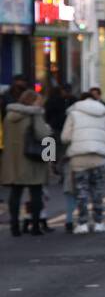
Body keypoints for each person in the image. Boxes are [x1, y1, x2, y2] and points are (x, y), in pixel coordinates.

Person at [61, 90, 105, 233]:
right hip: (98, 156)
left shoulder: (73, 114)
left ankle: (82, 224)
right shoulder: (103, 115)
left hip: (79, 157)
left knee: (81, 191)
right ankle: (99, 222)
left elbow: (65, 137)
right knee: (97, 191)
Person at [2, 89, 52, 237]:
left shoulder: (9, 116)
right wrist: (47, 129)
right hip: (32, 159)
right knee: (35, 192)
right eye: (38, 100)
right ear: (32, 101)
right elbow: (43, 134)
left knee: (15, 193)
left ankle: (14, 227)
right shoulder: (35, 114)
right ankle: (35, 226)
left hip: (13, 160)